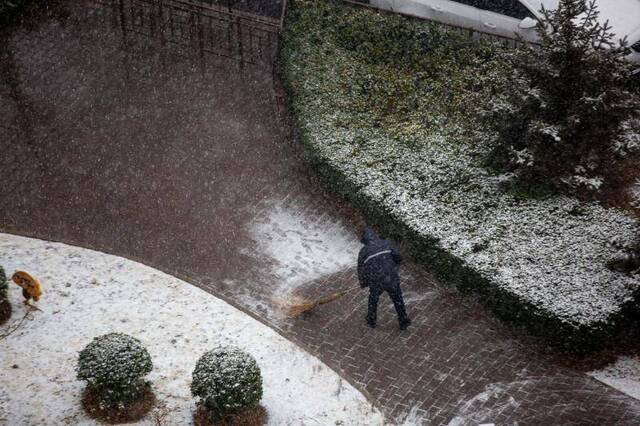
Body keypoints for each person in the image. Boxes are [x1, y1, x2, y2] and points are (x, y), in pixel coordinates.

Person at [357, 228, 411, 330]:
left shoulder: (363, 251)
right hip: (391, 277)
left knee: (373, 299)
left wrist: (364, 283)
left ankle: (371, 320)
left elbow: (361, 269)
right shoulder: (386, 243)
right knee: (397, 298)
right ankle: (403, 320)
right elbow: (398, 257)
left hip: (376, 280)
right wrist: (393, 267)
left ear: (364, 240)